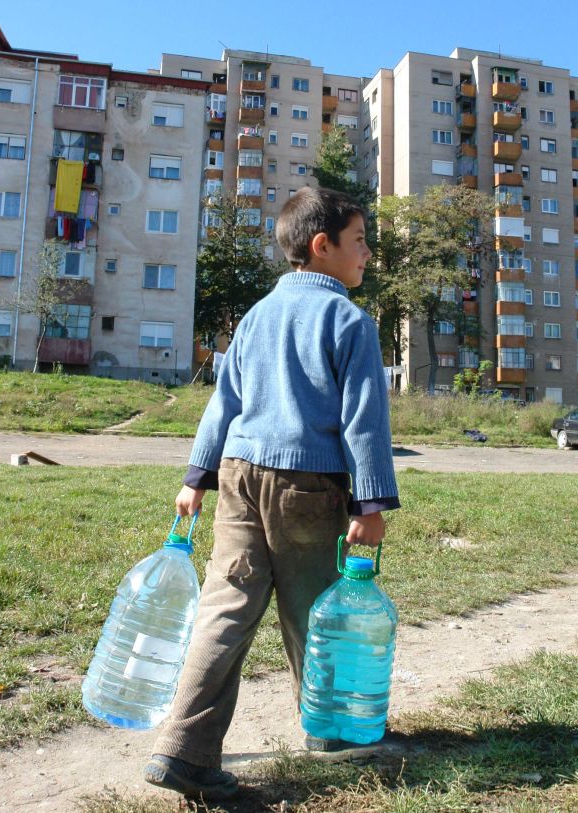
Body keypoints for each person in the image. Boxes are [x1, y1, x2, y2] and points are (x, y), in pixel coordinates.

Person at [144, 187, 400, 800]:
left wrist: (195, 476)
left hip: (236, 474)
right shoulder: (349, 321)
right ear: (322, 246)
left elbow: (223, 402)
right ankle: (333, 733)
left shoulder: (256, 316)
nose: (369, 253)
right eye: (360, 241)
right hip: (307, 488)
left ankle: (182, 749)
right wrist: (369, 505)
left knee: (224, 610)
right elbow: (364, 420)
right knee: (315, 612)